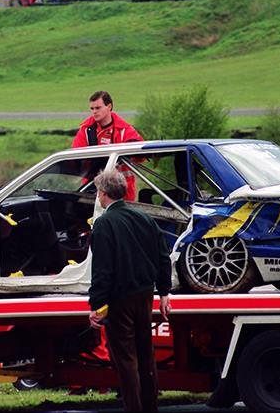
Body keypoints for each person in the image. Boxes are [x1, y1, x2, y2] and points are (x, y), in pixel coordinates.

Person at [88, 170, 172, 412]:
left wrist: (97, 306)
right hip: (145, 296)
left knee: (126, 360)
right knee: (146, 355)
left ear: (103, 193)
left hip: (119, 300)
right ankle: (150, 406)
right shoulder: (145, 219)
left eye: (97, 191)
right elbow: (163, 256)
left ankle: (134, 408)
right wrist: (164, 292)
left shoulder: (104, 223)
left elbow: (103, 270)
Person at [72, 91, 143, 201]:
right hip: (93, 193)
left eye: (98, 108)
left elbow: (141, 156)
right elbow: (74, 158)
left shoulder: (125, 130)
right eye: (92, 109)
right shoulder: (86, 130)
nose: (94, 112)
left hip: (122, 194)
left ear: (109, 106)